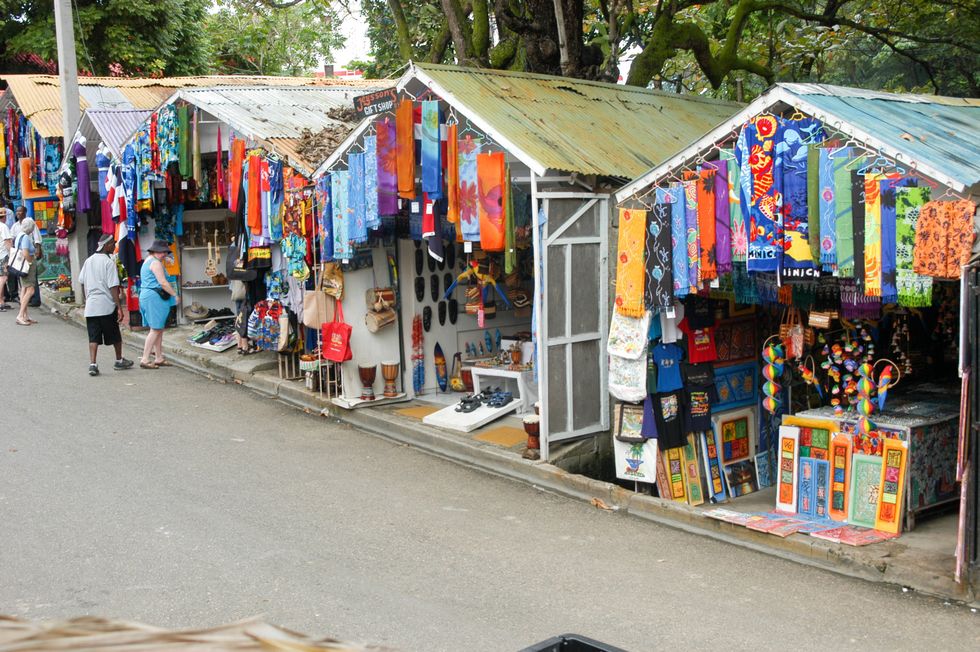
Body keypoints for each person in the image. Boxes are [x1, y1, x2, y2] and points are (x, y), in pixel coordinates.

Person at [79, 234, 133, 376]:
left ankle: (93, 364)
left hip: (91, 306)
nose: (114, 246)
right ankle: (119, 360)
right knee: (115, 335)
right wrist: (119, 307)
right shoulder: (108, 263)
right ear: (106, 245)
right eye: (112, 244)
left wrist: (87, 300)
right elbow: (113, 287)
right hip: (106, 306)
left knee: (93, 337)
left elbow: (82, 281)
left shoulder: (88, 261)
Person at [138, 239, 179, 369]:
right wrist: (174, 295)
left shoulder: (148, 260)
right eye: (162, 252)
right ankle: (145, 359)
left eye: (165, 252)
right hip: (154, 297)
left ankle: (158, 357)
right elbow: (163, 282)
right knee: (155, 329)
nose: (164, 255)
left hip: (149, 296)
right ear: (155, 251)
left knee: (158, 328)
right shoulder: (156, 263)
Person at [12, 218, 39, 325]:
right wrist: (30, 262)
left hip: (22, 266)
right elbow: (25, 252)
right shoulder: (25, 238)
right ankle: (20, 315)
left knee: (24, 289)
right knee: (31, 290)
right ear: (30, 227)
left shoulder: (19, 235)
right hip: (27, 266)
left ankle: (24, 315)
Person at [0, 213, 11, 312]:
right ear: (4, 217)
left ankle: (2, 301)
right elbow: (7, 242)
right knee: (3, 278)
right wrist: (12, 254)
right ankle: (0, 302)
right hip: (3, 255)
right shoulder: (3, 227)